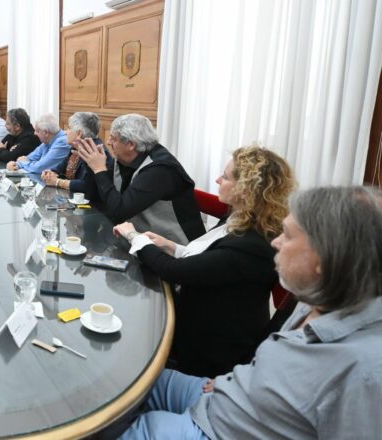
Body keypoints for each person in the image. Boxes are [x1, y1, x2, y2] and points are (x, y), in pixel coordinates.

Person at [119, 186, 382, 440]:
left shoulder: (366, 370)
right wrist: (237, 380)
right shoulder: (317, 299)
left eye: (288, 236)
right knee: (127, 376)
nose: (276, 242)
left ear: (324, 258)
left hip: (217, 429)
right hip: (223, 393)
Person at [114, 146, 296, 377]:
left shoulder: (253, 243)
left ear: (246, 189)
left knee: (130, 339)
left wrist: (134, 236)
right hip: (206, 319)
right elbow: (211, 260)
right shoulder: (243, 217)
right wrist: (170, 245)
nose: (218, 179)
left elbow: (174, 271)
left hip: (211, 349)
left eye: (226, 177)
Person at [76, 113, 204, 243]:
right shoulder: (126, 159)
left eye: (113, 138)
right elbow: (98, 198)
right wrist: (91, 165)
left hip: (177, 248)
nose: (108, 142)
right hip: (139, 240)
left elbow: (119, 213)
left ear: (131, 145)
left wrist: (99, 169)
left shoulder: (160, 169)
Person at [41, 112, 108, 194]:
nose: (65, 132)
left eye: (69, 128)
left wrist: (57, 182)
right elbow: (60, 168)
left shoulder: (96, 152)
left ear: (79, 133)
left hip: (92, 204)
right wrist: (50, 173)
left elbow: (86, 185)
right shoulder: (75, 147)